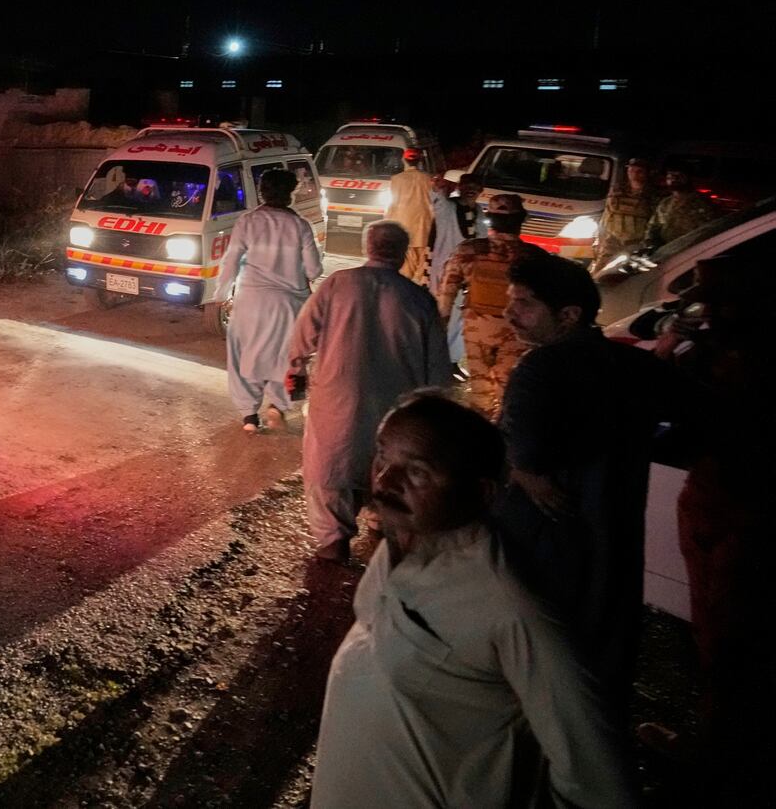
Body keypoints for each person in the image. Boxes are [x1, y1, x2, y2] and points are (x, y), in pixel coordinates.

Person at [311, 393, 637, 809]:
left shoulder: (512, 604)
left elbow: (598, 775)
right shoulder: (402, 539)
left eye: (418, 472)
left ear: (481, 493)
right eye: (382, 458)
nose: (385, 482)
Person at [494, 251, 676, 711]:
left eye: (525, 304)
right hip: (615, 528)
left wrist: (517, 470)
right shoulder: (630, 364)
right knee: (604, 651)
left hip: (549, 537)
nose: (509, 313)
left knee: (545, 658)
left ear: (568, 315)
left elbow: (521, 454)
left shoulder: (541, 370)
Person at [651, 257, 774, 806]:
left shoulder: (731, 361)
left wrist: (670, 344)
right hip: (734, 505)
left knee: (725, 645)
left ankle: (715, 765)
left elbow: (663, 398)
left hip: (732, 509)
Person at [286, 221, 450, 561]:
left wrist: (296, 370)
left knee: (331, 472)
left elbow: (302, 337)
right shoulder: (419, 299)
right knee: (387, 474)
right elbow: (438, 372)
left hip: (337, 401)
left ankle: (334, 547)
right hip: (396, 410)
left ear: (368, 247)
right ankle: (381, 531)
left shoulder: (337, 284)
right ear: (404, 254)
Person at [217, 168, 322, 432]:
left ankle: (249, 417)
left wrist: (221, 294)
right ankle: (277, 406)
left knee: (242, 358)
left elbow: (230, 261)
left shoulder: (247, 222)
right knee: (283, 359)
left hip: (250, 301)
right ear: (291, 193)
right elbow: (314, 270)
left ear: (262, 192)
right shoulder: (300, 225)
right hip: (289, 305)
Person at [435, 193, 543, 418]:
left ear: (490, 219)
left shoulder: (468, 251)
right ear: (521, 219)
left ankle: (479, 434)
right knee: (510, 391)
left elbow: (446, 295)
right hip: (518, 332)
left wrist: (439, 331)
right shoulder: (535, 258)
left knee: (480, 390)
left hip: (477, 332)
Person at [429, 172, 482, 370]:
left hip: (467, 274)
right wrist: (438, 188)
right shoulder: (449, 207)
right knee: (441, 314)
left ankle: (451, 361)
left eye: (475, 188)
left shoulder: (477, 212)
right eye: (467, 187)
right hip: (444, 271)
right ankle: (435, 357)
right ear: (459, 188)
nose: (471, 192)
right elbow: (437, 201)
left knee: (460, 318)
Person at [592, 157, 659, 271]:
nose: (634, 175)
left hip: (637, 244)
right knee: (599, 273)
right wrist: (599, 240)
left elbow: (656, 224)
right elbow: (607, 216)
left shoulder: (654, 196)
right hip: (612, 242)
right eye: (631, 171)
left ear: (647, 173)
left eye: (639, 171)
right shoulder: (617, 191)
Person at [383, 148, 434, 284]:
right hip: (425, 231)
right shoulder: (429, 179)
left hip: (404, 231)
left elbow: (392, 205)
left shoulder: (396, 180)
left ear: (403, 160)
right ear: (420, 161)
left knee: (404, 274)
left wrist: (386, 225)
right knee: (422, 274)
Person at [643, 165, 717, 249]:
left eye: (678, 176)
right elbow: (653, 226)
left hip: (690, 251)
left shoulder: (702, 203)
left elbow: (709, 231)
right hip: (666, 251)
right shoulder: (665, 203)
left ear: (687, 178)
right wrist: (650, 243)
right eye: (670, 177)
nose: (674, 179)